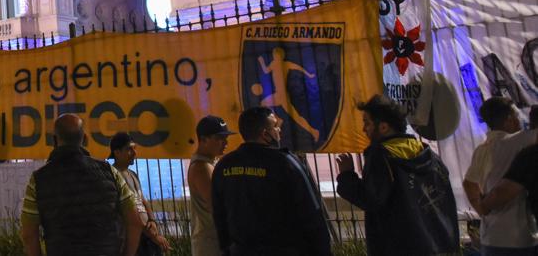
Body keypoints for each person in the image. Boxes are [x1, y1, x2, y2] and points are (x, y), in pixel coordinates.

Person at [336, 94, 459, 256]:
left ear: (384, 127)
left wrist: (346, 176)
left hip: (398, 246)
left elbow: (371, 198)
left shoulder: (382, 156)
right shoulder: (426, 152)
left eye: (367, 122)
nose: (363, 129)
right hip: (435, 246)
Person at [212, 106, 330, 256]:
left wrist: (227, 250)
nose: (279, 131)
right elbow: (311, 212)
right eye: (275, 127)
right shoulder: (285, 163)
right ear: (265, 134)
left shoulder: (224, 166)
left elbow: (219, 215)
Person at [20, 114, 144, 256]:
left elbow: (29, 235)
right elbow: (135, 222)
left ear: (54, 140)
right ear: (85, 138)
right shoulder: (110, 172)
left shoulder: (38, 179)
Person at [463, 96, 538, 254]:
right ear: (509, 119)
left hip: (490, 235)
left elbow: (469, 184)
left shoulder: (481, 150)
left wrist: (482, 209)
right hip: (519, 236)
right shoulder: (520, 142)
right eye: (517, 117)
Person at [109, 131, 170, 254]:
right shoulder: (113, 176)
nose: (134, 153)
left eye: (134, 149)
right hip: (131, 237)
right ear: (117, 152)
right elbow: (130, 212)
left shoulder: (132, 174)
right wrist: (153, 236)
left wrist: (152, 221)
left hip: (145, 234)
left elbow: (142, 200)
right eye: (129, 149)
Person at [186, 115, 233, 256]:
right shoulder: (202, 167)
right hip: (211, 243)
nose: (225, 143)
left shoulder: (210, 163)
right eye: (219, 139)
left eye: (226, 138)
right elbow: (217, 206)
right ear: (204, 140)